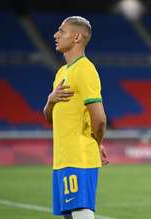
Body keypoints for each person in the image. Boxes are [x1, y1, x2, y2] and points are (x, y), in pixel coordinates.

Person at [43, 16, 109, 219]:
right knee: (70, 215)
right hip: (63, 158)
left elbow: (100, 119)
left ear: (77, 37)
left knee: (81, 212)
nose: (56, 35)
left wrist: (96, 144)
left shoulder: (85, 69)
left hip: (79, 157)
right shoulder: (62, 71)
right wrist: (51, 100)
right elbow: (50, 118)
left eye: (61, 31)